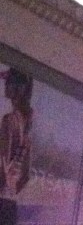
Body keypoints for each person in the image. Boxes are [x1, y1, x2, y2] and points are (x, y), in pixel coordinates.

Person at [0, 69, 33, 225]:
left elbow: (3, 159)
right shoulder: (26, 123)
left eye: (8, 82)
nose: (5, 86)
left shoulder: (9, 120)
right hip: (10, 201)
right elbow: (25, 176)